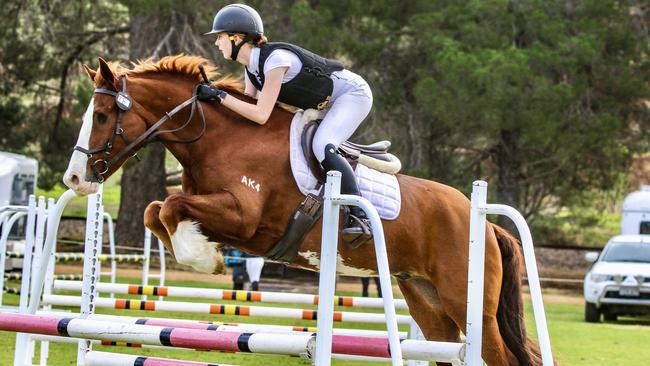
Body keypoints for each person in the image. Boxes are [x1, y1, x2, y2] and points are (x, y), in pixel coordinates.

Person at [199, 3, 373, 248]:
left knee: (323, 145)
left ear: (236, 38)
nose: (217, 43)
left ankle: (359, 212)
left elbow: (260, 114)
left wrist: (220, 97)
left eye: (219, 37)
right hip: (321, 105)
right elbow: (249, 111)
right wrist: (214, 100)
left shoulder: (275, 61)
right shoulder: (252, 70)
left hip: (351, 95)